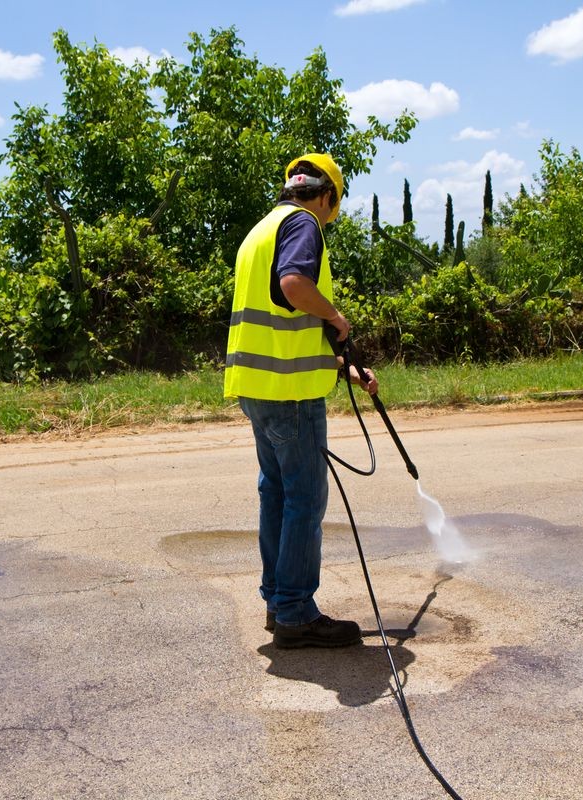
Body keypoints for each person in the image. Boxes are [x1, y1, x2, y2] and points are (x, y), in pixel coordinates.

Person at [224, 153, 379, 649]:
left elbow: (279, 327)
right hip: (290, 396)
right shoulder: (304, 225)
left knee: (277, 493)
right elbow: (293, 286)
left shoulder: (260, 230)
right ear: (328, 195)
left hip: (258, 389)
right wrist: (337, 319)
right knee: (305, 499)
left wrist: (342, 367)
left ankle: (276, 600)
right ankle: (294, 612)